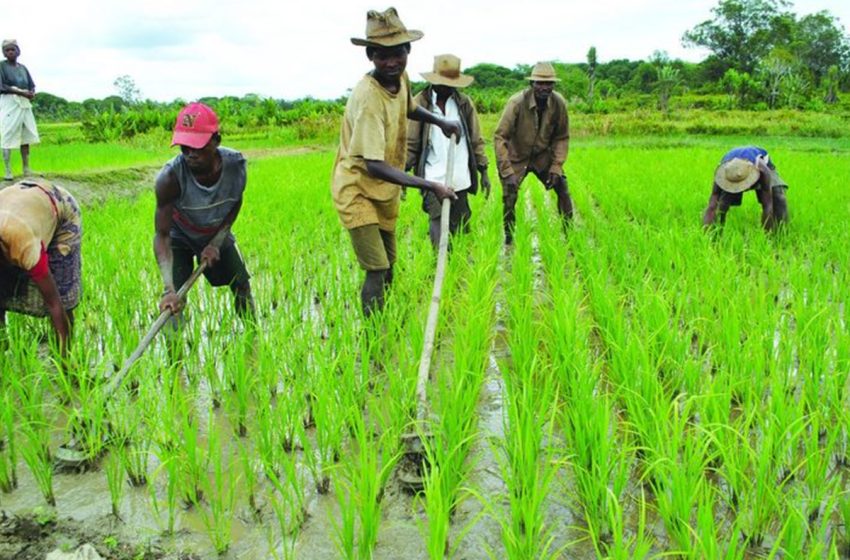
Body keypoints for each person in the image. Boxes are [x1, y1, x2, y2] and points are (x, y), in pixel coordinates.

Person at [331, 7, 460, 317]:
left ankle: (383, 322)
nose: (391, 62)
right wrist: (430, 185)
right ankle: (373, 338)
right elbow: (374, 165)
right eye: (382, 55)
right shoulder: (369, 99)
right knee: (376, 269)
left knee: (389, 267)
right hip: (358, 190)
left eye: (397, 53)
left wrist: (439, 120)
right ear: (370, 56)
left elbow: (409, 107)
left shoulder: (399, 77)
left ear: (408, 50)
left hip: (383, 191)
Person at [154, 102, 254, 324]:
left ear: (216, 140)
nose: (190, 154)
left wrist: (216, 242)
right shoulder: (169, 177)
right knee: (173, 305)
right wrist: (168, 288)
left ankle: (254, 343)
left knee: (241, 284)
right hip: (179, 238)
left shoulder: (235, 166)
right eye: (184, 147)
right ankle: (175, 358)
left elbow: (235, 202)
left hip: (214, 231)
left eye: (197, 146)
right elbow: (162, 235)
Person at [406, 54, 489, 247]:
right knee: (437, 220)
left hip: (459, 175)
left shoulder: (463, 103)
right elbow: (411, 143)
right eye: (442, 83)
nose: (447, 87)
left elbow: (476, 139)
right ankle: (441, 263)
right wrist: (404, 172)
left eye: (451, 83)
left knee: (460, 226)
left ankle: (458, 268)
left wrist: (483, 170)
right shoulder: (420, 103)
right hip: (433, 176)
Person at [0, 180, 81, 358]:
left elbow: (54, 303)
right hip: (19, 201)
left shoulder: (23, 244)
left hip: (59, 207)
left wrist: (64, 360)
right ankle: (2, 342)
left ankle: (64, 355)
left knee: (63, 292)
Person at [494, 61, 572, 245]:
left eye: (549, 84)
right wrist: (507, 171)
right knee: (509, 195)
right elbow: (500, 137)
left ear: (553, 85)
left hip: (541, 156)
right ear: (532, 84)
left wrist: (556, 166)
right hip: (516, 156)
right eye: (540, 83)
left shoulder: (558, 104)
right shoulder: (516, 103)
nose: (544, 88)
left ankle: (570, 232)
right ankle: (509, 235)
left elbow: (562, 137)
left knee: (562, 187)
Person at [702, 146, 789, 231]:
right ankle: (716, 233)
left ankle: (778, 234)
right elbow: (712, 206)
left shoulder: (762, 169)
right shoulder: (722, 172)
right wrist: (706, 235)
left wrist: (768, 234)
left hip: (758, 166)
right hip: (731, 172)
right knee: (721, 204)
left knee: (778, 198)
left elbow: (767, 205)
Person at [0, 39, 39, 181]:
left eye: (13, 49)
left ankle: (26, 168)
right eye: (7, 50)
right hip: (10, 102)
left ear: (18, 51)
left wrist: (31, 93)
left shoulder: (23, 68)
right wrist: (21, 93)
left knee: (25, 135)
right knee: (8, 135)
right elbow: (2, 87)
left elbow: (31, 85)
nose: (10, 52)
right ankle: (8, 170)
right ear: (4, 53)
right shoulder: (1, 67)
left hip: (24, 103)